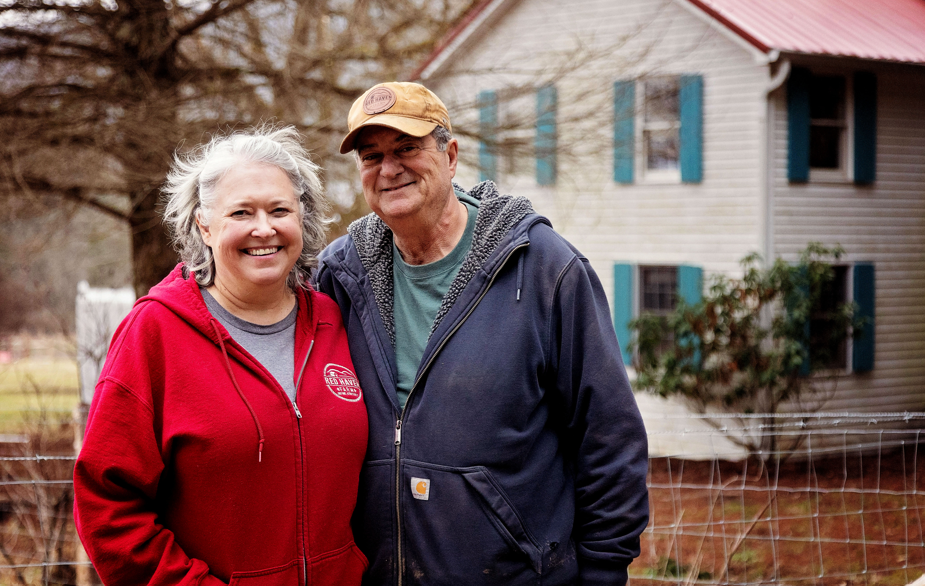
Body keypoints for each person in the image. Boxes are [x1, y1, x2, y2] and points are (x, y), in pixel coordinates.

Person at [314, 81, 649, 585]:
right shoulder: (341, 274)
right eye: (371, 155)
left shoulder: (543, 269)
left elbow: (609, 441)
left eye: (407, 148)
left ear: (450, 156)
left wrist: (602, 573)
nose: (389, 169)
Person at [74, 125, 369, 586]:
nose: (264, 228)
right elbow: (107, 507)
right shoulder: (155, 332)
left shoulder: (335, 319)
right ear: (204, 226)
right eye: (241, 212)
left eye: (279, 210)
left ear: (302, 219)